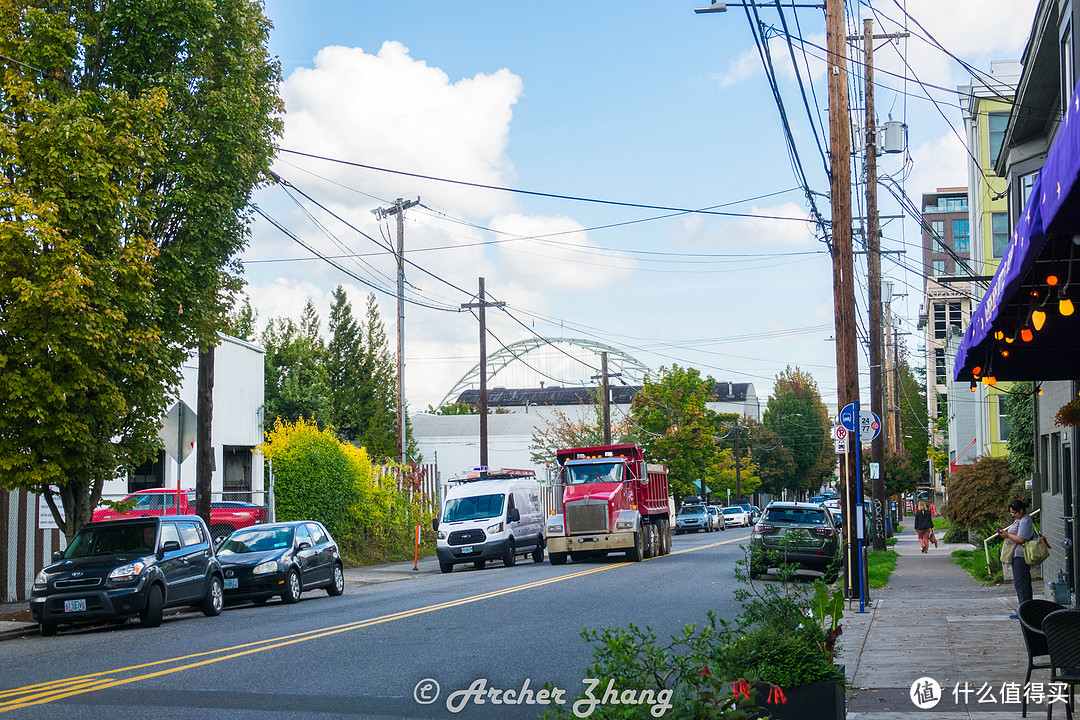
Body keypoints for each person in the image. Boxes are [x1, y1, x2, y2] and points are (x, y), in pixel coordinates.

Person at [997, 499, 1035, 619]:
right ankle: (1025, 610)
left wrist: (1007, 535)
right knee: (1020, 583)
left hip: (1021, 556)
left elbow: (1021, 539)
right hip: (1016, 555)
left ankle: (1025, 612)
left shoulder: (1025, 521)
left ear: (1021, 510)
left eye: (1015, 513)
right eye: (1011, 513)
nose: (1013, 515)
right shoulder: (1019, 520)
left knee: (1022, 583)